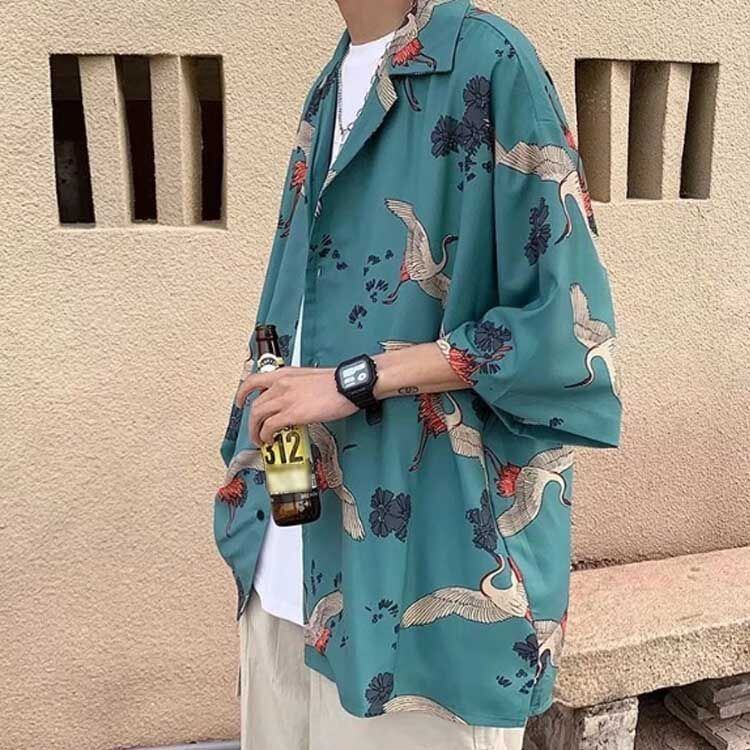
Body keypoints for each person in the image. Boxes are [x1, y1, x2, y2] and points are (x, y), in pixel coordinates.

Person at [213, 1, 622, 748]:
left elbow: (565, 333)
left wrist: (354, 379)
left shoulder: (489, 63)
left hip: (420, 593)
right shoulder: (328, 87)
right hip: (287, 563)